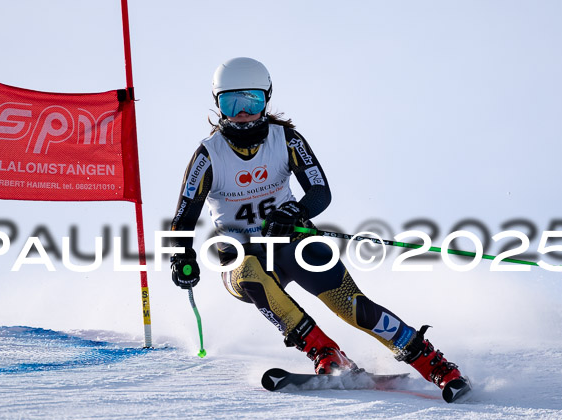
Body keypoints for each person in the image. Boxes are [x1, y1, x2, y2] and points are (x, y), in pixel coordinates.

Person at [169, 57, 470, 402]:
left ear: (266, 99)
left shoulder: (287, 140)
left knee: (353, 307)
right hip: (242, 255)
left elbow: (320, 191)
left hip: (292, 241)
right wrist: (181, 256)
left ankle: (434, 363)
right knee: (250, 272)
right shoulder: (208, 156)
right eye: (230, 102)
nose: (242, 113)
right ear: (217, 103)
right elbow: (183, 218)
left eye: (250, 101)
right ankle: (325, 352)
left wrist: (295, 210)